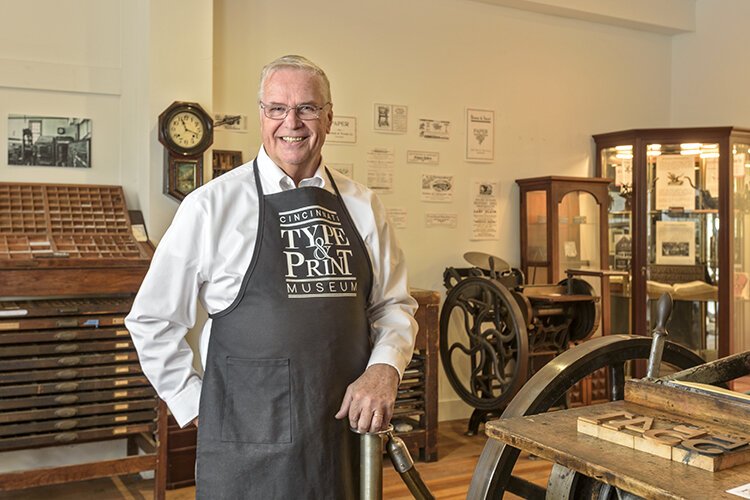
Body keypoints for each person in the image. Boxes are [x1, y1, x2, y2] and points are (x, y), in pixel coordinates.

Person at [125, 54, 418, 499]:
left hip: (342, 435)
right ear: (262, 115)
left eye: (307, 108)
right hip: (243, 441)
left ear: (329, 117)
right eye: (277, 109)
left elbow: (393, 305)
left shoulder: (364, 206)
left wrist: (384, 368)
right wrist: (196, 403)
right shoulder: (211, 206)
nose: (292, 123)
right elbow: (151, 320)